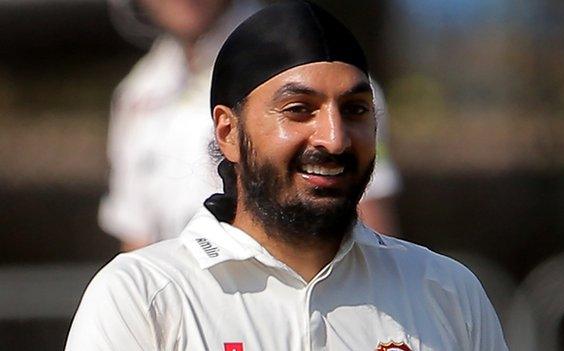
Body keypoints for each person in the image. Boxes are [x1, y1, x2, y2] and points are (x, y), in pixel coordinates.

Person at [66, 2, 508, 350]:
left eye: (355, 110)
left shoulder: (447, 293)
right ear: (227, 132)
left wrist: (387, 295)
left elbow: (374, 210)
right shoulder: (141, 296)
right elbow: (136, 233)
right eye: (298, 110)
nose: (333, 139)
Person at [100, 0, 402, 252]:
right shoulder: (137, 93)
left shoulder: (320, 69)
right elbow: (137, 235)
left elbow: (369, 221)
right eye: (297, 108)